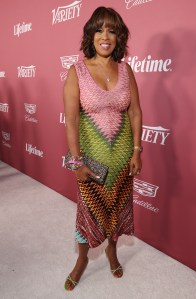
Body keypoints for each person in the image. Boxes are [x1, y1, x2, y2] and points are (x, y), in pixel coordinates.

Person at [63, 6, 142, 291]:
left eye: (111, 30)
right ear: (91, 35)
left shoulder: (125, 69)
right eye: (99, 29)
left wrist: (136, 150)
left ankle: (112, 251)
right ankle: (81, 260)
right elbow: (71, 119)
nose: (105, 36)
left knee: (118, 211)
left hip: (122, 161)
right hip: (91, 161)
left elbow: (134, 113)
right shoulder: (77, 71)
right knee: (88, 212)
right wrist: (76, 162)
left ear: (118, 36)